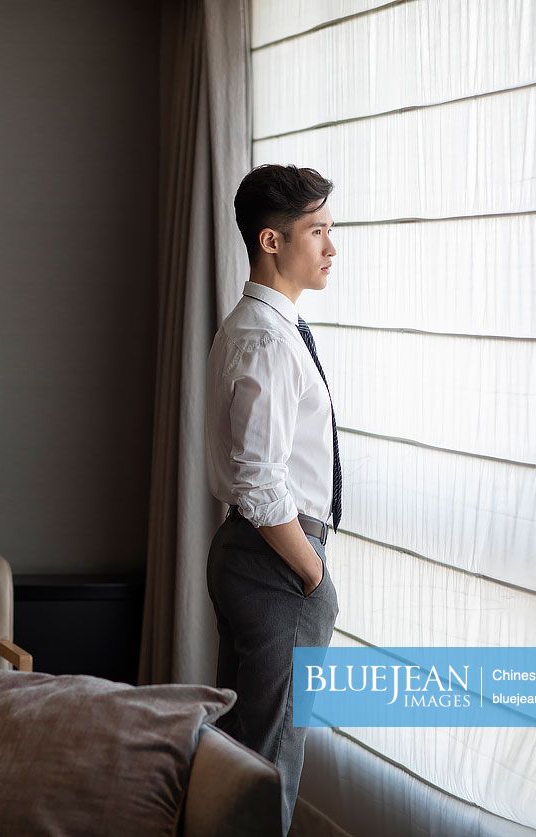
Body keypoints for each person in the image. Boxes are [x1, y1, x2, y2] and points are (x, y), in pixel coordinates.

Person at [204, 163, 342, 833]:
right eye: (315, 231)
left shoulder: (260, 327)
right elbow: (260, 483)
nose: (329, 247)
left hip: (251, 557)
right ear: (271, 241)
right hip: (275, 562)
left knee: (239, 756)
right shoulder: (264, 337)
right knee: (269, 765)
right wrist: (312, 575)